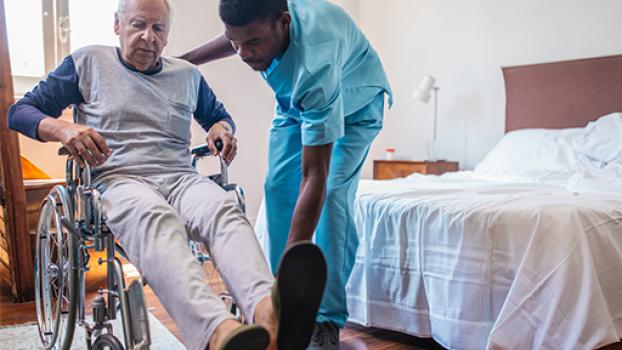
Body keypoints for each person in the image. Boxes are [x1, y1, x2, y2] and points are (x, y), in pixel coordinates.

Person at [7, 0, 327, 349]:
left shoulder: (187, 75)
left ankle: (270, 314)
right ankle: (220, 332)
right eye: (138, 25)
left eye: (158, 29)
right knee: (156, 218)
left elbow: (218, 116)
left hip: (180, 177)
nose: (148, 36)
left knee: (224, 209)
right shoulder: (88, 62)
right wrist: (62, 129)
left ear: (168, 35)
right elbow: (20, 111)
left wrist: (221, 129)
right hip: (120, 177)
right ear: (118, 25)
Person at [180, 0, 393, 348]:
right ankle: (279, 308)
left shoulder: (315, 62)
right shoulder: (261, 17)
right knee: (277, 188)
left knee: (334, 195)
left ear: (283, 23)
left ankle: (324, 319)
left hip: (355, 106)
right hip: (296, 104)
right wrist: (182, 62)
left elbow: (314, 176)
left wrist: (293, 274)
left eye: (253, 44)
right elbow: (236, 35)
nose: (244, 54)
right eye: (237, 44)